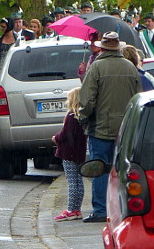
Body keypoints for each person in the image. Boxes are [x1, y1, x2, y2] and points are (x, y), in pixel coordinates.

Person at [78, 32, 142, 223]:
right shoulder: (131, 68)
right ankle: (123, 208)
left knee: (99, 168)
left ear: (103, 48)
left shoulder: (96, 67)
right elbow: (138, 98)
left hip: (100, 128)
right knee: (123, 170)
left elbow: (87, 100)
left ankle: (100, 210)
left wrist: (83, 117)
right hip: (125, 129)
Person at [52, 87, 87, 221]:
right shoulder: (81, 116)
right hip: (79, 152)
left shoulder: (71, 116)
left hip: (68, 153)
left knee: (72, 182)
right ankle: (76, 208)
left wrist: (56, 138)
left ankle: (71, 209)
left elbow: (66, 134)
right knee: (79, 181)